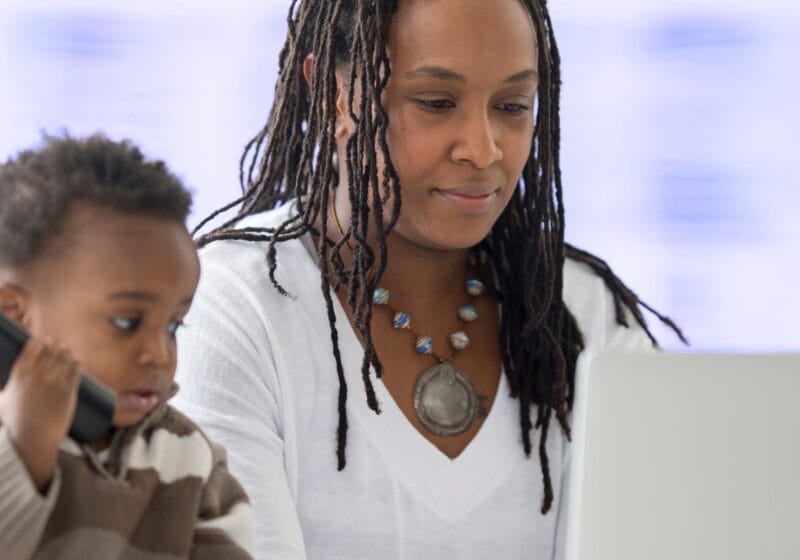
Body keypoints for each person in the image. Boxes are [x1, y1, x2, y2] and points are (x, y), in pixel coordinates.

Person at [173, 0, 685, 558]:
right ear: (335, 94)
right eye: (437, 103)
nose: (483, 148)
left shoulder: (583, 312)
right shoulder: (233, 308)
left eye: (512, 106)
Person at [0, 134, 256, 559]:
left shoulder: (190, 459)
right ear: (14, 314)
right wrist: (24, 448)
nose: (158, 353)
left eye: (174, 325)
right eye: (126, 322)